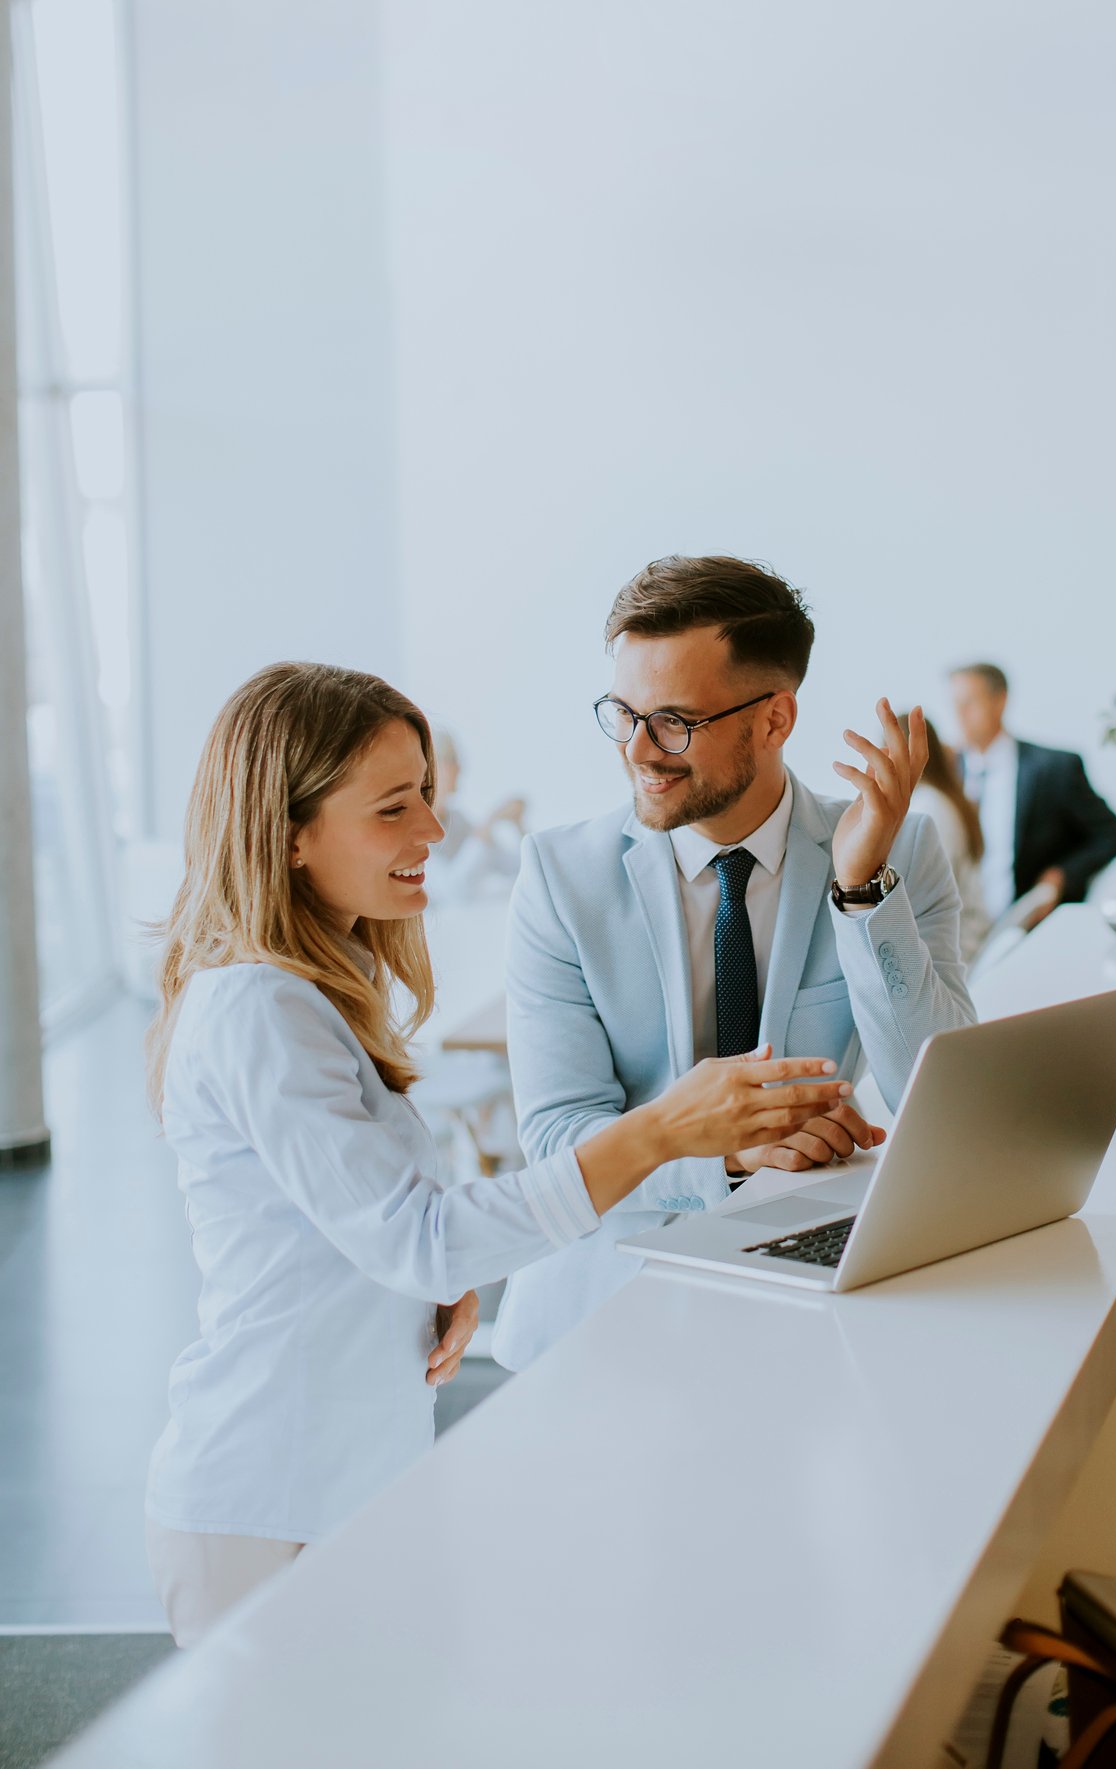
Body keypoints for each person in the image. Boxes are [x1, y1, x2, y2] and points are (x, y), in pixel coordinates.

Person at [144, 662, 847, 1646]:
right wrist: (656, 1132)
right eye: (393, 809)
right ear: (290, 833)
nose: (433, 832)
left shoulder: (317, 991)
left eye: (428, 796)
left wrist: (423, 1288)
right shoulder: (261, 1006)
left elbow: (373, 1234)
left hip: (335, 1490)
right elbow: (421, 1236)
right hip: (269, 1503)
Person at [493, 557, 977, 1371]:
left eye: (676, 719)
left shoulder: (898, 850)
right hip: (599, 1320)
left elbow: (940, 1103)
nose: (640, 749)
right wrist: (726, 1148)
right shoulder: (558, 877)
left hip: (805, 1311)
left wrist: (860, 892)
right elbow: (554, 1138)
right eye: (624, 712)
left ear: (775, 719)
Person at [949, 663, 1116, 930]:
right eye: (955, 704)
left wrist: (1061, 876)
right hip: (957, 931)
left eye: (970, 702)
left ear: (1000, 701)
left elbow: (1112, 834)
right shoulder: (946, 772)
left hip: (1026, 927)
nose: (960, 714)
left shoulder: (1055, 769)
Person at [910, 716, 990, 965]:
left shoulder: (929, 807)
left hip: (957, 949)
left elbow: (931, 895)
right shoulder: (939, 800)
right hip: (962, 938)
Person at [425, 726, 527, 898]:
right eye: (451, 759)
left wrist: (518, 824)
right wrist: (489, 822)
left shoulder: (458, 820)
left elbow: (518, 868)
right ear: (431, 767)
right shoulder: (417, 830)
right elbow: (452, 892)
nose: (460, 768)